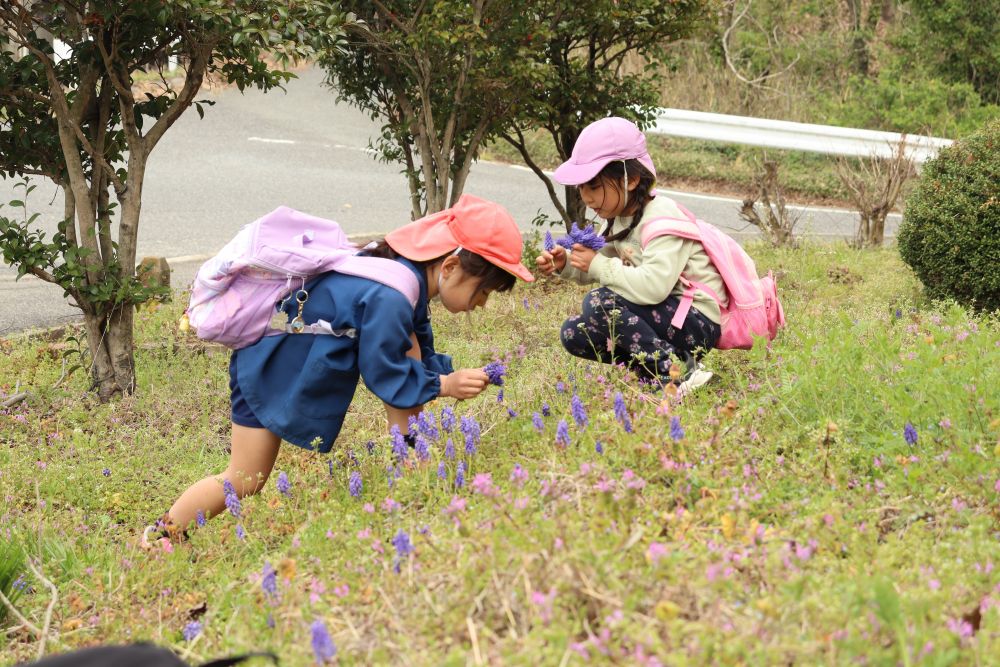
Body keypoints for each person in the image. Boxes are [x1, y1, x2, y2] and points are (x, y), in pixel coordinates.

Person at [144, 194, 534, 544]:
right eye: (483, 291)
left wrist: (437, 375)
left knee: (248, 477)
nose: (481, 303)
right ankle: (160, 536)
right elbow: (385, 371)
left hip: (276, 361)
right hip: (268, 368)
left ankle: (413, 473)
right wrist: (444, 384)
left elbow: (415, 345)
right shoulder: (393, 294)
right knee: (244, 477)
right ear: (449, 266)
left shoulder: (400, 275)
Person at [535, 116, 725, 390]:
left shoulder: (661, 217)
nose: (586, 197)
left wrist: (598, 264)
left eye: (594, 186)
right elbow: (603, 261)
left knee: (600, 302)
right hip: (664, 317)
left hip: (695, 321)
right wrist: (567, 263)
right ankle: (655, 374)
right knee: (574, 332)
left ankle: (679, 372)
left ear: (632, 179)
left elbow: (654, 287)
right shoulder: (619, 219)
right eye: (581, 187)